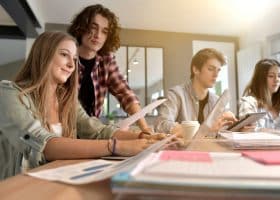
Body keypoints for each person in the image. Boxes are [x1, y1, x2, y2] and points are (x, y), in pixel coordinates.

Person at [0, 31, 167, 180]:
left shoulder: (67, 101)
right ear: (44, 54)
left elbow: (97, 131)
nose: (72, 66)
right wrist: (117, 146)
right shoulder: (8, 93)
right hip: (19, 187)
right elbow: (44, 144)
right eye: (64, 55)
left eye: (74, 59)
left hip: (56, 179)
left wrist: (144, 138)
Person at [67, 4, 151, 132]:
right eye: (93, 28)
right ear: (82, 28)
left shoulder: (106, 61)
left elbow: (125, 94)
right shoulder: (66, 57)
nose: (98, 35)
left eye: (104, 31)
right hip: (63, 130)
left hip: (90, 133)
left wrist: (145, 129)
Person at [154, 48, 236, 136]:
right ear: (196, 70)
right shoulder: (176, 94)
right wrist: (203, 129)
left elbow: (222, 132)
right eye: (211, 69)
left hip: (209, 148)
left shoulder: (216, 100)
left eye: (218, 70)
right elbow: (161, 125)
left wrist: (235, 126)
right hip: (183, 149)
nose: (216, 75)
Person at [239, 58, 280, 131]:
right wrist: (278, 133)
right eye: (271, 76)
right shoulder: (249, 103)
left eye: (279, 76)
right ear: (260, 79)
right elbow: (248, 131)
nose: (277, 79)